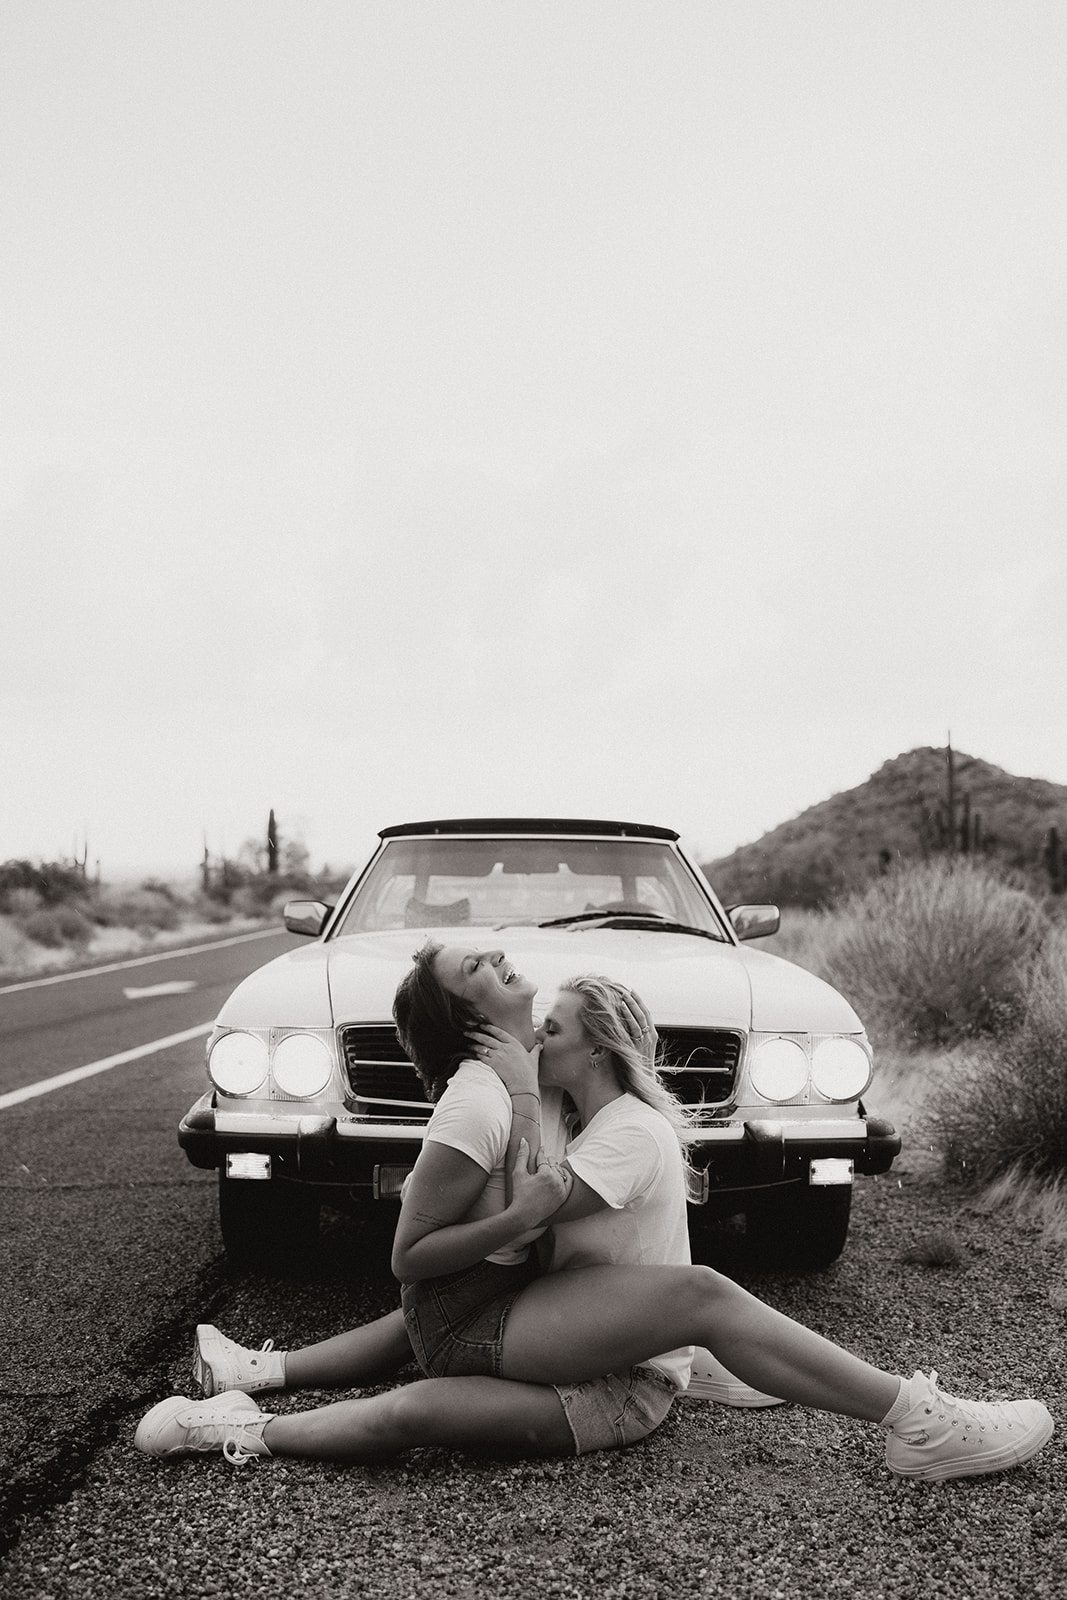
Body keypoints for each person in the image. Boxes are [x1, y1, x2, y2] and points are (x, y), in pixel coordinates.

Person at [135, 946, 1054, 1480]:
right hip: (560, 1330)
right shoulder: (557, 1106)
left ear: (589, 1051)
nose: (536, 1031)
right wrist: (511, 1085)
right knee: (418, 1364)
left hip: (607, 1378)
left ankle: (915, 1422)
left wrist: (510, 1101)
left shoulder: (618, 1131)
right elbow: (495, 1224)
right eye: (529, 1021)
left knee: (422, 1401)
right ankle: (247, 1390)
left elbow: (529, 1214)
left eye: (552, 1032)